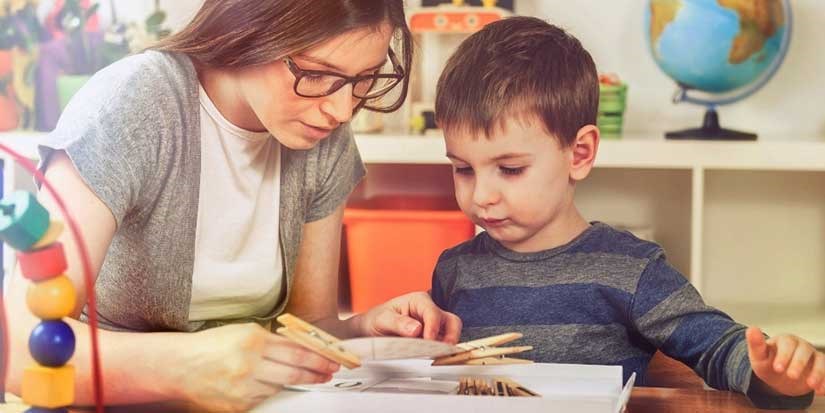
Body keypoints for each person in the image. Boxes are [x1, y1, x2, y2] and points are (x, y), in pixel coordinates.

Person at [5, 1, 461, 411]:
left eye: (363, 80)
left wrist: (362, 330)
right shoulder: (134, 105)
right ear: (251, 27)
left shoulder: (323, 139)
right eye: (317, 74)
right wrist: (181, 367)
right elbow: (19, 347)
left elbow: (306, 328)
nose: (341, 110)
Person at [430, 16, 824, 409]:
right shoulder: (454, 271)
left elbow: (718, 347)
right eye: (463, 169)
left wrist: (773, 377)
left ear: (580, 153)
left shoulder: (631, 270)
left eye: (511, 169)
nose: (481, 195)